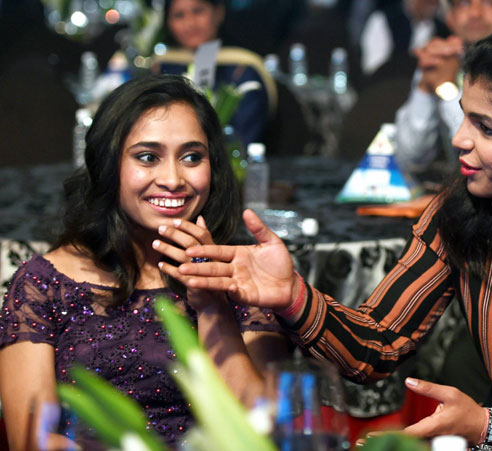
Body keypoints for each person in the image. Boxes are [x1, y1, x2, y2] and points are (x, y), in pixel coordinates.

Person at [162, 29, 492, 449]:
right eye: (464, 115)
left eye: (486, 128)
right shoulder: (463, 214)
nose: (458, 139)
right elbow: (376, 342)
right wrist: (294, 296)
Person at [0, 74, 287, 450]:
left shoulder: (242, 277)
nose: (173, 179)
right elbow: (32, 440)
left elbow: (261, 431)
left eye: (192, 157)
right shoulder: (43, 284)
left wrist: (212, 305)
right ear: (108, 165)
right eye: (148, 157)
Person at [393, 0, 492, 173]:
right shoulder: (442, 59)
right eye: (464, 4)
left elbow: (488, 156)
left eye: (489, 3)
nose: (475, 13)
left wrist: (446, 88)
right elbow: (409, 159)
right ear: (450, 17)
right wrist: (424, 86)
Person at [157, 0, 270, 148]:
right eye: (179, 15)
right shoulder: (160, 68)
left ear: (219, 13)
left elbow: (245, 138)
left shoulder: (241, 68)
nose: (190, 23)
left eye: (198, 11)